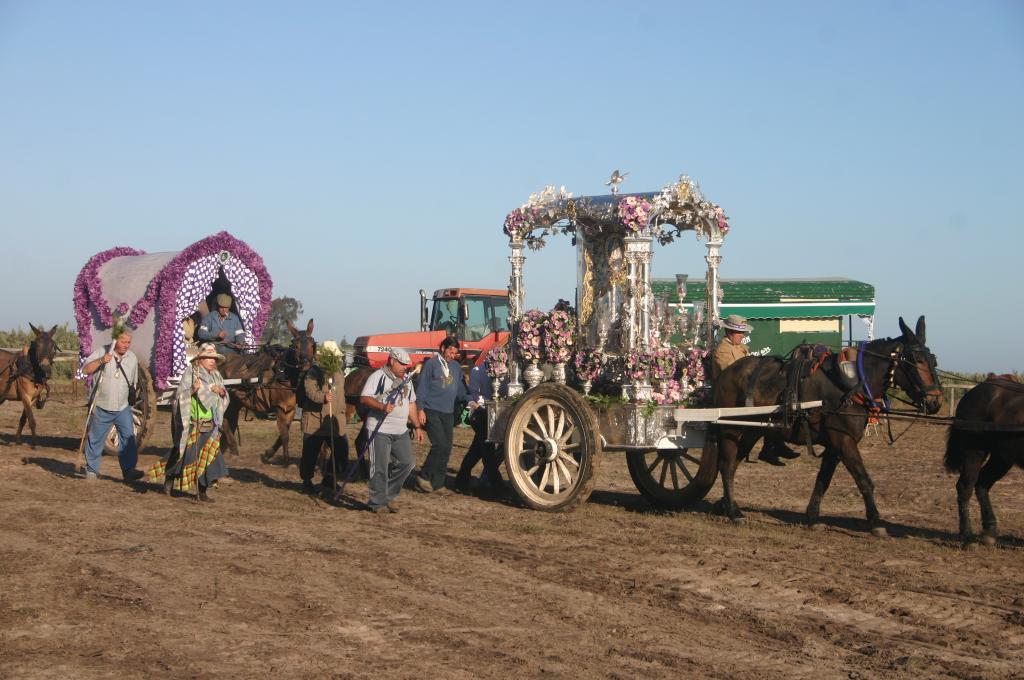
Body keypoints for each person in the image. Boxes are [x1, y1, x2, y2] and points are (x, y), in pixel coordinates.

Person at [712, 314, 800, 466]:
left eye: (743, 332)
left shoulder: (741, 348)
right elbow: (733, 377)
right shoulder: (723, 351)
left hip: (746, 393)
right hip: (731, 397)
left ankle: (773, 446)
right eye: (740, 332)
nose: (743, 335)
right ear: (729, 332)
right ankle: (771, 448)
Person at [155, 343, 230, 501]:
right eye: (209, 358)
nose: (212, 361)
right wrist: (192, 390)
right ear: (200, 359)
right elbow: (179, 397)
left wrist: (221, 392)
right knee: (183, 455)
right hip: (193, 423)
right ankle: (170, 478)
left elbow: (224, 395)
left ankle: (202, 492)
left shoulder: (216, 376)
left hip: (211, 423)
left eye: (214, 358)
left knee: (209, 459)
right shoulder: (190, 373)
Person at [359, 348, 424, 513]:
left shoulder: (407, 380)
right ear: (392, 361)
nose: (404, 367)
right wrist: (381, 406)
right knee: (379, 467)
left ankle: (387, 496)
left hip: (400, 430)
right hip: (379, 429)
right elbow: (364, 398)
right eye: (401, 363)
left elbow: (411, 404)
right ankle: (377, 503)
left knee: (407, 463)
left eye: (406, 364)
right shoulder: (378, 376)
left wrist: (417, 426)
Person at [80, 329, 144, 482]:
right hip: (102, 405)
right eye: (123, 342)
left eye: (128, 342)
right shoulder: (103, 351)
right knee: (96, 439)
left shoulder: (132, 358)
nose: (126, 345)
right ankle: (92, 470)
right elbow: (85, 369)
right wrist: (101, 361)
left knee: (128, 438)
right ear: (115, 340)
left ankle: (129, 471)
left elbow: (133, 382)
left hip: (122, 407)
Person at [413, 337, 468, 495]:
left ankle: (437, 484)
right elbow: (422, 388)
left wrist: (470, 399)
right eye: (450, 351)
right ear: (443, 348)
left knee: (447, 448)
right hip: (431, 409)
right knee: (439, 444)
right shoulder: (431, 364)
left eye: (455, 353)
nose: (452, 355)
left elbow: (460, 389)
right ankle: (424, 476)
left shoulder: (456, 367)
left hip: (448, 412)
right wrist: (420, 409)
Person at [454, 358, 506, 495]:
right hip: (480, 413)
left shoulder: (502, 370)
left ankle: (461, 479)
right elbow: (474, 394)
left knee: (477, 450)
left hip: (491, 412)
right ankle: (497, 485)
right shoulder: (477, 371)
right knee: (487, 451)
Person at [299, 354, 348, 495]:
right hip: (315, 420)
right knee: (310, 453)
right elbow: (310, 391)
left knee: (341, 450)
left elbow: (341, 393)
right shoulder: (313, 372)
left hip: (335, 420)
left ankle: (329, 478)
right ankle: (307, 481)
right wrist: (323, 397)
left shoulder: (339, 372)